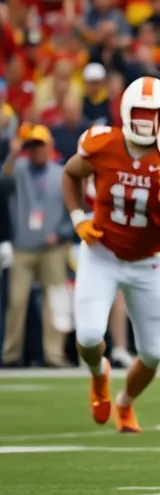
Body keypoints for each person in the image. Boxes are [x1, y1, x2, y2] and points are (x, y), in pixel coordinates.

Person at [62, 77, 160, 433]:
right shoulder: (102, 143)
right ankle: (99, 374)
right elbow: (70, 174)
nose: (145, 119)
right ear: (126, 113)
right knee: (90, 336)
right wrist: (79, 218)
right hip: (102, 254)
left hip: (149, 263)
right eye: (139, 111)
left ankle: (125, 403)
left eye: (152, 112)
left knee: (155, 353)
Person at [0, 123, 73, 368]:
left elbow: (72, 209)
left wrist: (61, 233)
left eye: (39, 146)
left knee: (55, 300)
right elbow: (3, 182)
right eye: (31, 146)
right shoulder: (19, 169)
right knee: (17, 301)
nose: (35, 151)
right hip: (23, 247)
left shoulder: (61, 173)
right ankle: (11, 354)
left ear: (49, 147)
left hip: (52, 247)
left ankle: (54, 354)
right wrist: (14, 151)